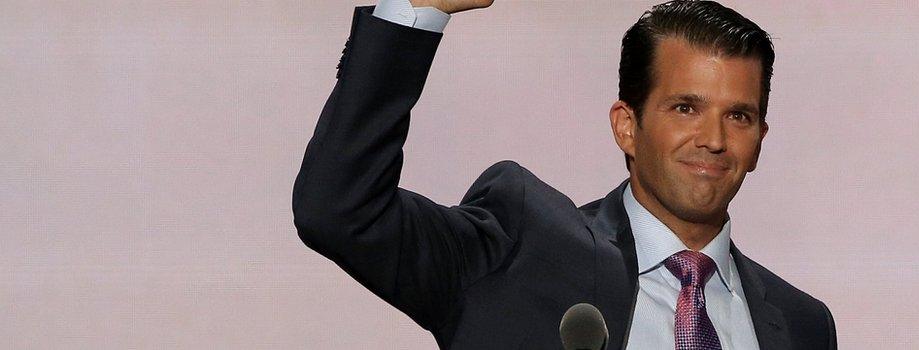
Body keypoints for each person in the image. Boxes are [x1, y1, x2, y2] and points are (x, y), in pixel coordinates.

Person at [292, 0, 837, 348]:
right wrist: (419, 9)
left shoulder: (802, 326)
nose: (714, 140)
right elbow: (340, 211)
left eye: (738, 116)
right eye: (685, 108)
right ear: (627, 126)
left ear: (759, 138)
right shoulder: (519, 247)